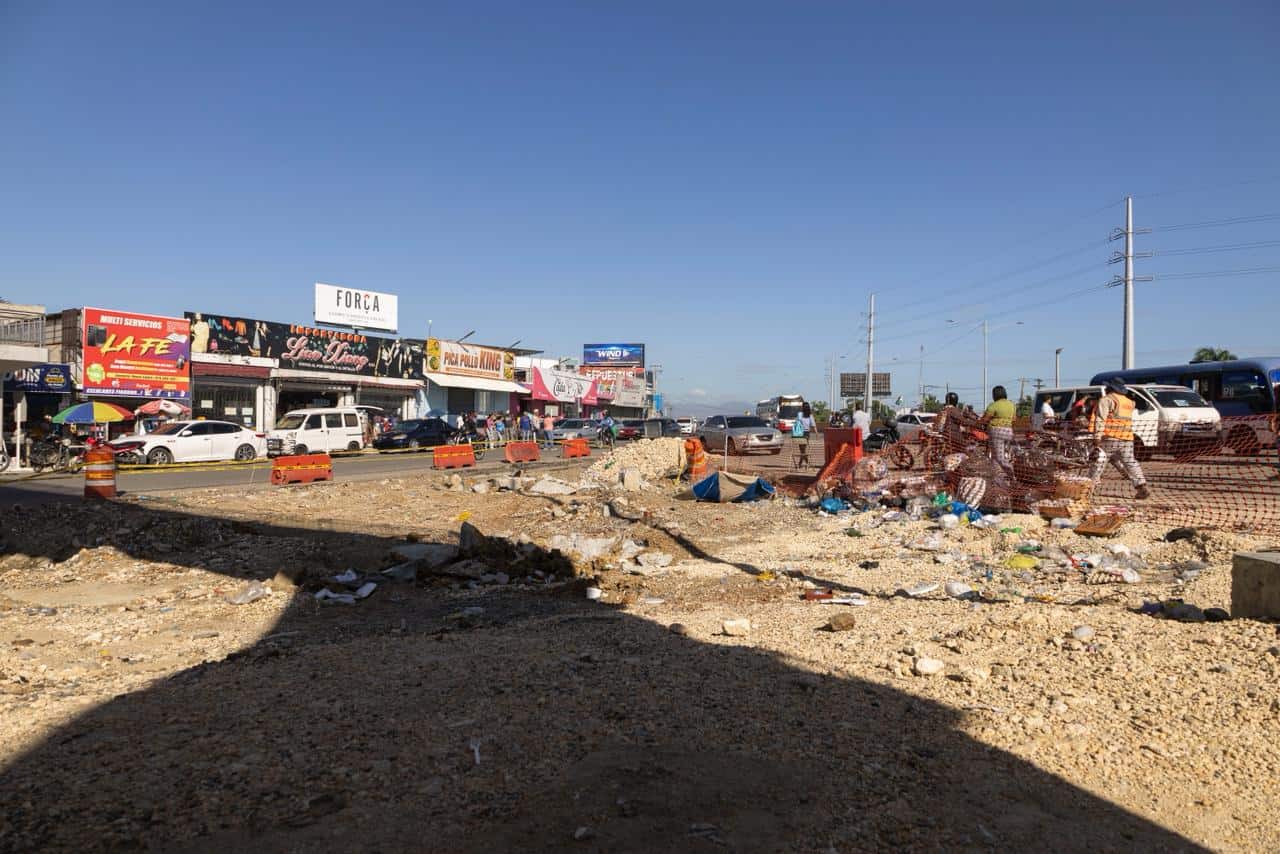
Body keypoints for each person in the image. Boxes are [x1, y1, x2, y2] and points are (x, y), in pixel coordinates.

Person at [1089, 378, 1150, 499]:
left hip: (1110, 437)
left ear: (1111, 388)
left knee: (1098, 462)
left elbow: (1101, 418)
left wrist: (1097, 436)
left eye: (1108, 386)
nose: (1106, 388)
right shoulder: (1129, 402)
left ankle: (1088, 489)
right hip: (1127, 438)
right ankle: (1141, 486)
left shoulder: (1107, 400)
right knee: (1130, 462)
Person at [979, 385, 1016, 469]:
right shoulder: (1012, 405)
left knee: (999, 458)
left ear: (995, 395)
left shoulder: (993, 405)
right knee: (997, 457)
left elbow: (985, 419)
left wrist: (977, 423)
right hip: (1009, 432)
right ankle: (997, 475)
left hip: (997, 432)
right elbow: (1014, 419)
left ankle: (1011, 471)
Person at [793, 402, 816, 467]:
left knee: (803, 449)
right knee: (802, 449)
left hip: (803, 433)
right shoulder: (802, 414)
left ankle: (802, 463)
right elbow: (796, 423)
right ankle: (804, 463)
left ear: (802, 407)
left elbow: (813, 424)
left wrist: (816, 433)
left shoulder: (808, 415)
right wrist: (816, 433)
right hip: (802, 432)